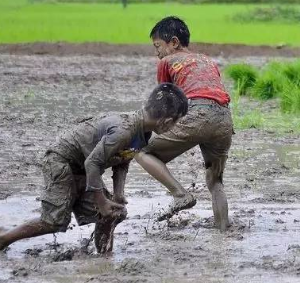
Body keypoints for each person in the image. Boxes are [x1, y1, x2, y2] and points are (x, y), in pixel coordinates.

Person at [0, 84, 188, 253]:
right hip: (62, 161)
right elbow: (93, 163)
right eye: (177, 122)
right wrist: (101, 201)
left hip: (83, 168)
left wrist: (118, 194)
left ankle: (104, 256)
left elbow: (123, 160)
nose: (176, 126)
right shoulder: (124, 130)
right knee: (53, 222)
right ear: (166, 121)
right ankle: (4, 239)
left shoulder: (143, 132)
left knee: (115, 213)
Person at [137, 16, 234, 230]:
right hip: (224, 119)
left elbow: (163, 100)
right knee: (215, 180)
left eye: (157, 46)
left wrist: (143, 130)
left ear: (173, 42)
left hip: (199, 114)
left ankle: (180, 194)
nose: (157, 53)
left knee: (142, 152)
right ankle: (223, 229)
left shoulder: (166, 62)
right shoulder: (208, 60)